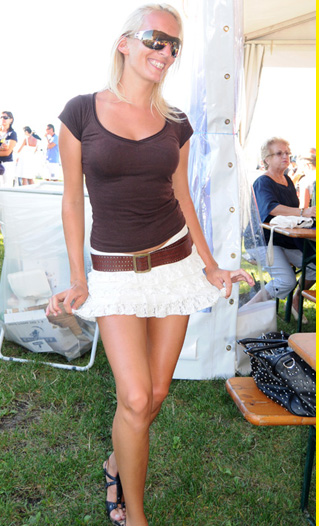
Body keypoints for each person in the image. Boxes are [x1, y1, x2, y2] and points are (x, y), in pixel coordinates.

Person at [45, 5, 254, 526]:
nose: (165, 52)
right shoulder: (80, 112)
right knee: (136, 396)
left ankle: (116, 461)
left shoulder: (177, 123)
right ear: (124, 43)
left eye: (174, 45)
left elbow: (183, 196)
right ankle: (134, 514)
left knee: (156, 393)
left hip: (175, 263)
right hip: (115, 272)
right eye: (155, 39)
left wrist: (210, 265)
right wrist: (78, 278)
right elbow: (72, 201)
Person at [252, 136, 316, 322]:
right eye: (279, 153)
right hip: (264, 241)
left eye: (287, 153)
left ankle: (295, 300)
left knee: (316, 266)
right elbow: (271, 208)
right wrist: (304, 212)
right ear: (267, 159)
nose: (285, 156)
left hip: (285, 239)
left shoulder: (287, 179)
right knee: (286, 280)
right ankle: (247, 311)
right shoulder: (263, 181)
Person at [0, 111, 18, 187]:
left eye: (5, 117)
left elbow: (7, 152)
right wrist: (1, 148)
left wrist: (3, 149)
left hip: (7, 164)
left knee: (6, 188)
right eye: (1, 117)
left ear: (11, 120)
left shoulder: (12, 134)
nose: (3, 119)